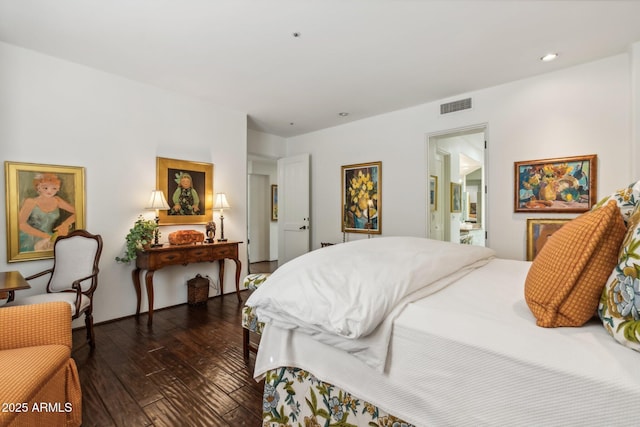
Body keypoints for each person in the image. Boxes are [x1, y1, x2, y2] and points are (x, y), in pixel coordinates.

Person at [18, 173, 76, 252]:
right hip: (30, 237)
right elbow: (21, 224)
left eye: (54, 188)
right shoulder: (31, 202)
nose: (50, 191)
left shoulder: (57, 200)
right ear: (38, 187)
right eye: (45, 188)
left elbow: (77, 212)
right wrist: (43, 235)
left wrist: (65, 224)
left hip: (49, 236)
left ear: (58, 189)